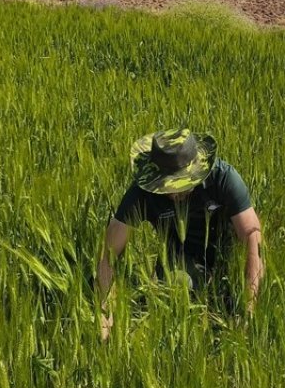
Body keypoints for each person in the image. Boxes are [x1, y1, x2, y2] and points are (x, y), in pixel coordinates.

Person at [96, 128, 263, 340]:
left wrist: (248, 307)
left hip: (230, 258)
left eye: (182, 183)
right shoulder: (142, 193)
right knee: (175, 291)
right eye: (166, 185)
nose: (174, 192)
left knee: (232, 305)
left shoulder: (223, 178)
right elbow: (109, 252)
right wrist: (102, 309)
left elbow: (251, 235)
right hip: (178, 260)